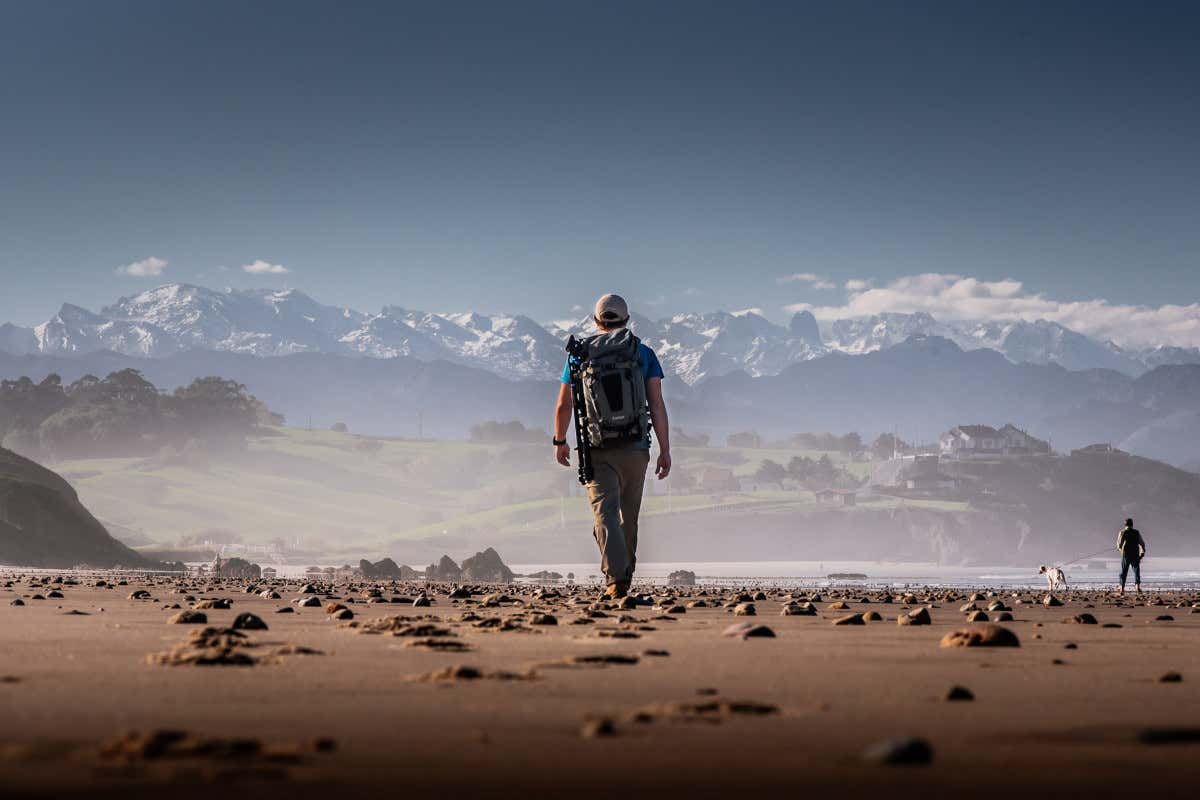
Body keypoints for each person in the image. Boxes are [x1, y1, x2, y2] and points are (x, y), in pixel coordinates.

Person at [552, 294, 671, 599]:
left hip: (596, 448)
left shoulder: (579, 355)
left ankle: (615, 578)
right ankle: (623, 577)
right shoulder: (642, 354)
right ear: (627, 319)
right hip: (636, 447)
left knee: (604, 516)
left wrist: (560, 441)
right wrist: (665, 449)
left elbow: (564, 405)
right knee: (628, 516)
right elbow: (656, 405)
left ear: (596, 321)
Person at [1116, 518, 1146, 595]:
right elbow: (1142, 543)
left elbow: (1119, 545)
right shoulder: (1136, 532)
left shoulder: (1122, 532)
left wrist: (1121, 551)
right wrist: (1143, 551)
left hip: (1126, 554)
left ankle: (1122, 588)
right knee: (1136, 570)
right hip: (1135, 554)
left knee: (1124, 571)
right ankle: (1137, 586)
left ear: (1125, 525)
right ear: (1132, 524)